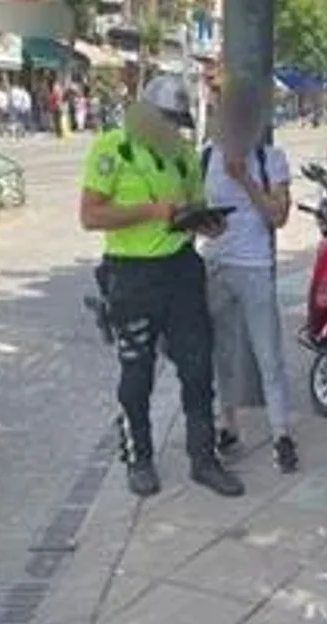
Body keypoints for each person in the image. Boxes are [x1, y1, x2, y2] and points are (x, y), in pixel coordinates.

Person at [78, 74, 242, 498]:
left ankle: (203, 459)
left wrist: (207, 223)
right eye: (165, 120)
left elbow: (192, 208)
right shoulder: (113, 148)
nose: (171, 130)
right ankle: (140, 457)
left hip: (181, 270)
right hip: (131, 274)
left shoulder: (185, 154)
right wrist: (150, 211)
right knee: (137, 373)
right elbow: (90, 216)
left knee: (198, 368)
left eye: (177, 122)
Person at [200, 87, 299, 472]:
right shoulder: (205, 157)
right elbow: (195, 211)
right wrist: (202, 225)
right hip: (215, 265)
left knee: (267, 353)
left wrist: (244, 179)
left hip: (255, 267)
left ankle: (281, 434)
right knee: (220, 352)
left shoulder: (270, 159)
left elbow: (278, 216)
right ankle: (227, 426)